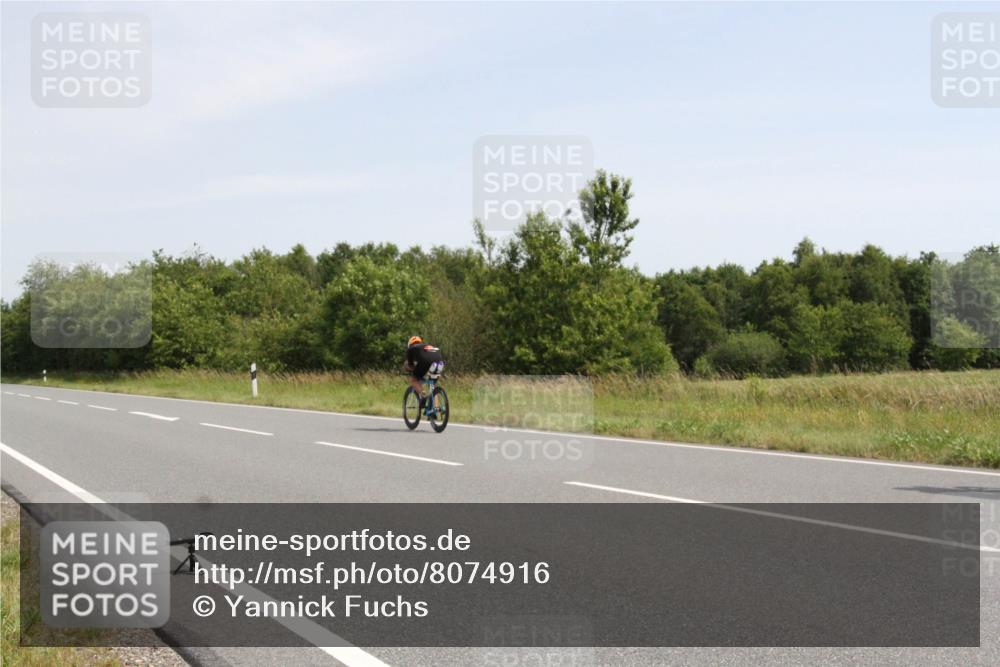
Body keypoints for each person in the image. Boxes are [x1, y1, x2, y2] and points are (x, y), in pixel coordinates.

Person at [404, 336, 444, 408]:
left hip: (426, 361)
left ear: (410, 344)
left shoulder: (411, 348)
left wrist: (410, 367)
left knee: (414, 380)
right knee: (433, 385)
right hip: (439, 361)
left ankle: (423, 396)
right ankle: (436, 407)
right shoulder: (427, 347)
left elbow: (411, 365)